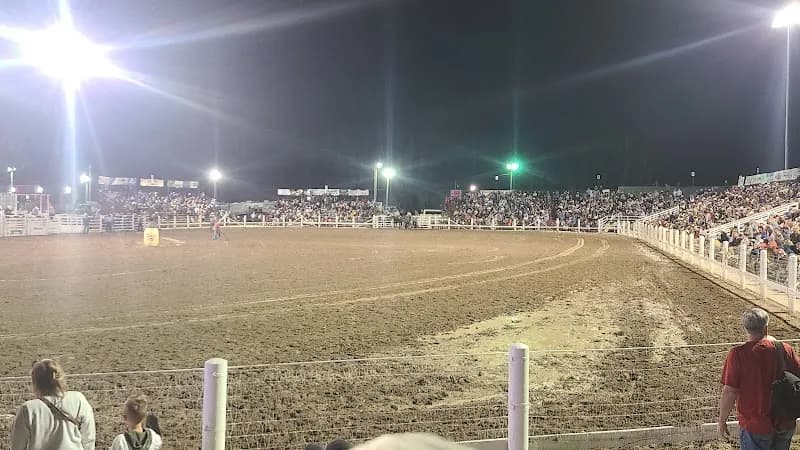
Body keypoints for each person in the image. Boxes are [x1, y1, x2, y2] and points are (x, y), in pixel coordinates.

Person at [718, 308, 800, 449]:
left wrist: (722, 421)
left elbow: (729, 392)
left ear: (745, 328)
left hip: (756, 425)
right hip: (784, 420)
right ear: (766, 327)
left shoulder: (738, 354)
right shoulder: (785, 349)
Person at [10, 359, 95, 450]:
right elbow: (89, 438)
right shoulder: (78, 400)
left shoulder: (27, 409)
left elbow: (17, 446)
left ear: (36, 381)